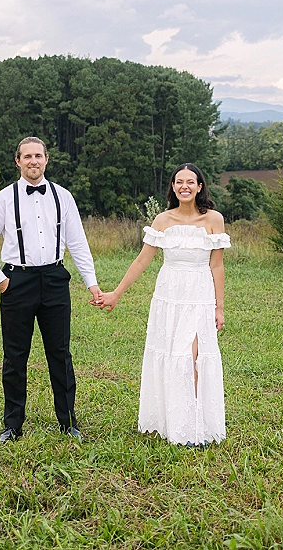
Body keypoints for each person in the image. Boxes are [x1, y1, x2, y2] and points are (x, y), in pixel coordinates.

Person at [0, 136, 102, 443]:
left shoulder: (63, 197)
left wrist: (92, 283)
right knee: (15, 356)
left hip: (55, 279)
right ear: (18, 162)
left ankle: (68, 422)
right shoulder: (2, 199)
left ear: (47, 159)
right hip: (17, 282)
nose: (33, 161)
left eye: (38, 156)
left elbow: (78, 243)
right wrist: (0, 280)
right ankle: (13, 425)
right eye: (27, 156)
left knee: (60, 354)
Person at [96, 163, 230, 446]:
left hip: (199, 294)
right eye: (179, 181)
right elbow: (142, 260)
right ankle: (172, 421)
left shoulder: (214, 220)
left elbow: (216, 266)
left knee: (192, 355)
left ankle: (194, 428)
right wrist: (117, 293)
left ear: (199, 187)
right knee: (171, 353)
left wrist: (219, 307)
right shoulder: (162, 220)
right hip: (168, 294)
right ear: (172, 187)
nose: (184, 186)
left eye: (190, 182)